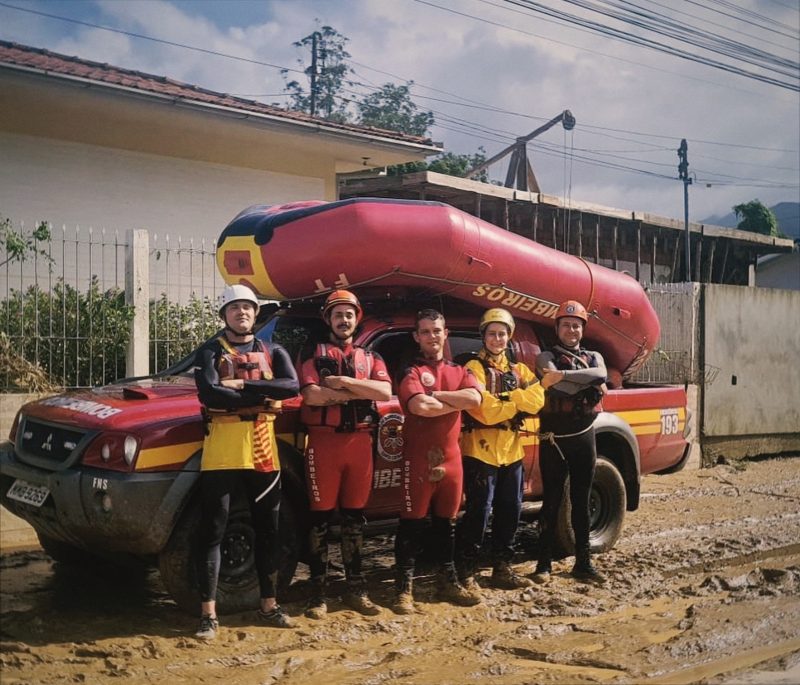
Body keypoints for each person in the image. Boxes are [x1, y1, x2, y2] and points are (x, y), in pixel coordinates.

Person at [194, 283, 300, 640]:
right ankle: (208, 614)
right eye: (235, 308)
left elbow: (291, 387)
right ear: (224, 314)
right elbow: (210, 392)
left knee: (268, 529)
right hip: (222, 448)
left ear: (256, 314)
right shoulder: (209, 350)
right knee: (213, 529)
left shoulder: (274, 350)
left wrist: (240, 387)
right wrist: (260, 392)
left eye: (248, 308)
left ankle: (269, 606)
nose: (242, 313)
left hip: (261, 448)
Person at [298, 289, 392, 619]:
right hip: (324, 444)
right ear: (329, 319)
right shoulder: (313, 351)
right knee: (320, 521)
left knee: (354, 520)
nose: (344, 319)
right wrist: (357, 391)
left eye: (349, 314)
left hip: (360, 444)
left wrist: (341, 383)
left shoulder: (372, 357)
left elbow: (384, 391)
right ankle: (317, 594)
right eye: (338, 314)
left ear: (357, 317)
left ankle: (356, 589)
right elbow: (311, 395)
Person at [393, 308, 483, 614]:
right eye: (426, 331)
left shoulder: (460, 369)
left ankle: (448, 581)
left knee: (448, 524)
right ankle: (403, 589)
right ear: (417, 337)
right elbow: (420, 407)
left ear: (446, 334)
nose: (433, 336)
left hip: (452, 461)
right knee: (411, 525)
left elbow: (475, 399)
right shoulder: (410, 371)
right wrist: (452, 399)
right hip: (418, 460)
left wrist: (437, 396)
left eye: (438, 330)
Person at [457, 308, 545, 592]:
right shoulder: (474, 368)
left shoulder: (520, 370)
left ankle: (502, 568)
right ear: (483, 336)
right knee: (478, 513)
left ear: (509, 337)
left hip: (512, 450)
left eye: (502, 333)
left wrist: (509, 397)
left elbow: (537, 400)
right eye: (492, 333)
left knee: (510, 510)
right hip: (480, 450)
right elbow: (484, 411)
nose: (497, 339)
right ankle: (466, 571)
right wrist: (517, 401)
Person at [533, 300, 608, 584]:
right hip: (554, 438)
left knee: (581, 499)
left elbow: (600, 374)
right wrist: (584, 381)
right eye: (566, 324)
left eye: (576, 325)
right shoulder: (544, 357)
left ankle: (583, 563)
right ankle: (543, 564)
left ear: (583, 329)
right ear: (557, 328)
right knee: (551, 500)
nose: (572, 329)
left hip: (584, 437)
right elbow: (559, 389)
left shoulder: (594, 356)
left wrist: (563, 375)